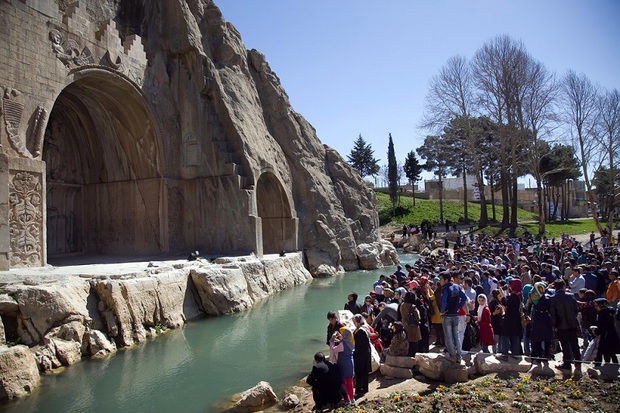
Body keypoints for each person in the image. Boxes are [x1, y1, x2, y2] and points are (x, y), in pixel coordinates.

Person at [549, 279, 581, 370]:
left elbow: (553, 314)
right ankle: (578, 361)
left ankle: (567, 363)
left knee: (565, 344)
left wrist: (554, 326)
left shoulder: (553, 298)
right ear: (564, 286)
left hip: (561, 324)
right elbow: (576, 310)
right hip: (572, 323)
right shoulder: (571, 296)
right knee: (575, 343)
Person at [440, 271, 467, 363]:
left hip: (447, 315)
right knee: (456, 335)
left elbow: (444, 301)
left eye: (441, 279)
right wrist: (459, 306)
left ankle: (452, 355)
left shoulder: (445, 289)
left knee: (448, 337)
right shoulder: (457, 287)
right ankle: (459, 356)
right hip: (455, 314)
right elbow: (464, 298)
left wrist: (442, 311)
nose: (440, 281)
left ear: (446, 280)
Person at [529, 282, 553, 362]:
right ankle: (541, 355)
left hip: (543, 317)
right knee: (538, 337)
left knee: (545, 338)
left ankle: (545, 354)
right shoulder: (535, 298)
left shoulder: (545, 298)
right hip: (540, 317)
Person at [330, 327, 355, 404]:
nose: (340, 334)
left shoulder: (342, 344)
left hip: (343, 364)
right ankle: (352, 398)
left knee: (345, 382)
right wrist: (340, 337)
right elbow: (343, 341)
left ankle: (347, 398)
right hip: (350, 363)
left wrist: (332, 340)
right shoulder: (351, 341)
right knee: (350, 381)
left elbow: (333, 349)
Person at [592, 298, 620, 366]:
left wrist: (596, 331)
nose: (595, 307)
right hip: (610, 335)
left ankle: (602, 366)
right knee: (610, 352)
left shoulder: (604, 314)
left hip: (606, 336)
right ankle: (613, 366)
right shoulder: (607, 312)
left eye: (596, 306)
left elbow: (603, 327)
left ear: (601, 305)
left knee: (604, 351)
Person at [352, 314, 371, 398]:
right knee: (364, 372)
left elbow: (358, 343)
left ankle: (358, 391)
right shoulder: (365, 328)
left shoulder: (360, 331)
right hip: (366, 352)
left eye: (354, 322)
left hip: (360, 354)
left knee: (359, 372)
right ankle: (365, 388)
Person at [400, 291, 422, 356]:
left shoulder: (402, 305)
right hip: (413, 327)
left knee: (408, 344)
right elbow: (418, 317)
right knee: (414, 345)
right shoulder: (413, 306)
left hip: (405, 325)